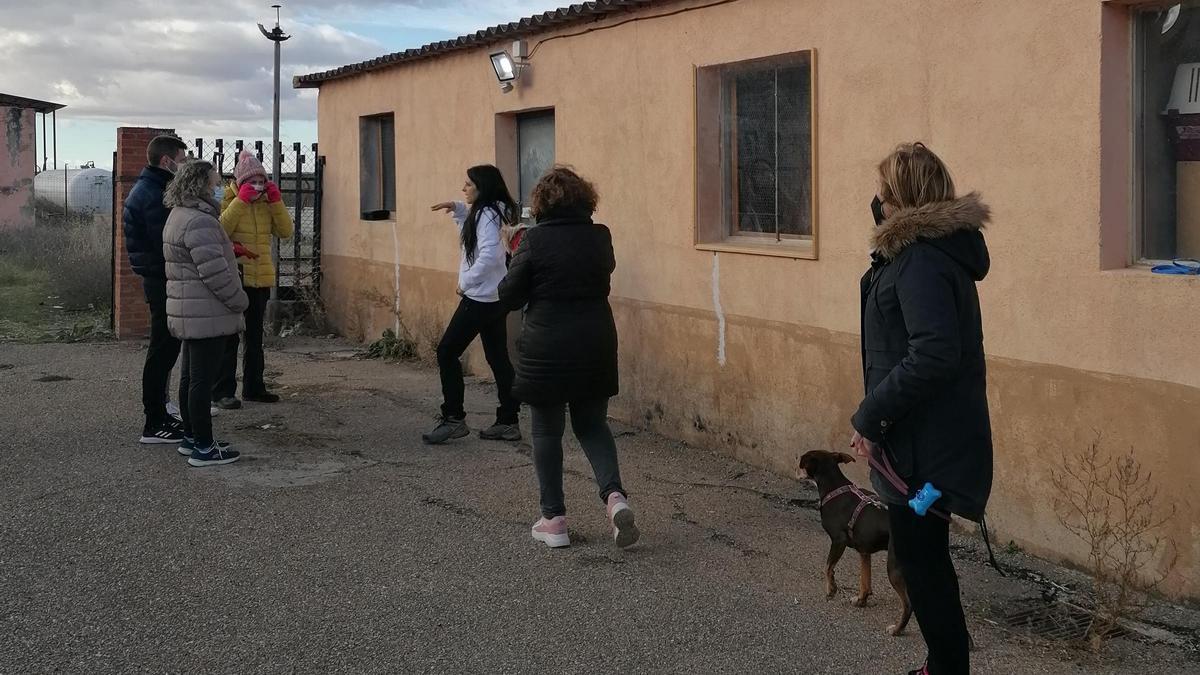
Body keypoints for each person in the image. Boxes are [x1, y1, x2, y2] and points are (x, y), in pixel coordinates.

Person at [849, 142, 992, 675]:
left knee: (922, 559)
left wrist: (869, 418)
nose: (877, 201)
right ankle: (943, 665)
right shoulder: (924, 255)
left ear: (901, 198)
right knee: (924, 555)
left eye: (884, 191)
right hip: (916, 444)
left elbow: (932, 355)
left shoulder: (921, 262)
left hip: (923, 457)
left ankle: (947, 668)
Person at [498, 166, 638, 550]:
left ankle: (554, 520)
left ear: (541, 202)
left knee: (546, 430)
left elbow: (508, 295)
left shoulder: (534, 241)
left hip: (547, 346)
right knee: (592, 425)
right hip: (595, 341)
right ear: (585, 200)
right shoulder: (600, 237)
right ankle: (614, 498)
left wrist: (514, 251)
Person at [425, 165, 521, 444]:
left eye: (468, 184)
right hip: (495, 297)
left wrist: (465, 283)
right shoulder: (493, 210)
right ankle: (508, 420)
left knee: (446, 351)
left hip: (480, 297)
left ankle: (454, 418)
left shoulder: (488, 215)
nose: (463, 188)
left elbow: (490, 255)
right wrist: (456, 207)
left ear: (483, 188)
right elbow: (476, 228)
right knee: (498, 357)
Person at [162, 160, 248, 467]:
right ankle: (204, 446)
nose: (219, 186)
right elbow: (215, 273)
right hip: (206, 311)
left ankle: (192, 437)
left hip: (190, 308)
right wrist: (240, 300)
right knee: (201, 380)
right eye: (214, 181)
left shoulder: (179, 214)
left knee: (190, 377)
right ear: (200, 184)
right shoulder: (199, 221)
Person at [212, 150, 294, 409]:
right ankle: (223, 391)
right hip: (236, 276)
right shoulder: (228, 199)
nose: (257, 185)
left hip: (261, 277)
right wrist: (241, 202)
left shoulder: (266, 203)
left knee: (255, 337)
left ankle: (254, 387)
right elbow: (220, 230)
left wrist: (276, 202)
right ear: (241, 182)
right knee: (230, 337)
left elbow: (285, 231)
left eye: (261, 180)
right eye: (252, 181)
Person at [123, 134, 189, 445]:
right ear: (167, 161)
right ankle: (154, 421)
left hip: (161, 278)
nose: (184, 165)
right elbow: (166, 241)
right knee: (162, 349)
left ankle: (161, 410)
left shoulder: (152, 188)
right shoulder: (152, 194)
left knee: (166, 348)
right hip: (161, 280)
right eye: (182, 159)